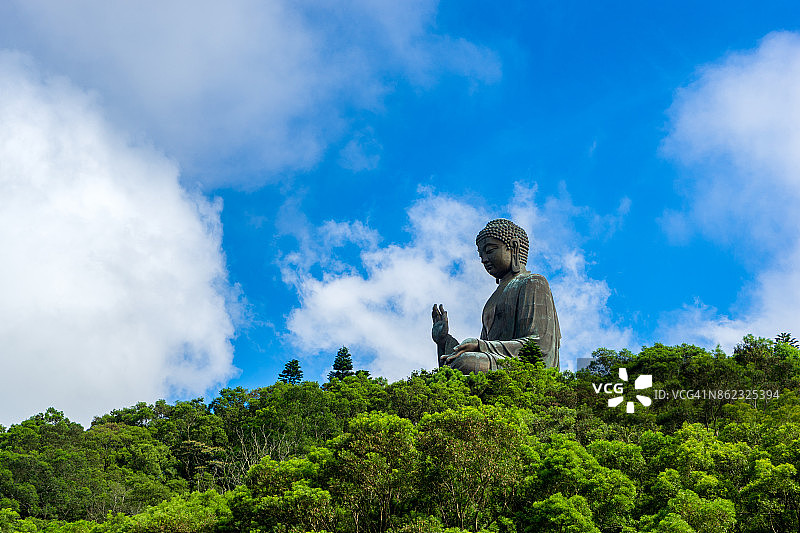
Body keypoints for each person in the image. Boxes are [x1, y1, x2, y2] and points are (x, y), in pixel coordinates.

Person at [432, 218, 560, 373]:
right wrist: (443, 340)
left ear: (514, 246)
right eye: (481, 256)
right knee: (457, 363)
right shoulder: (492, 301)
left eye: (490, 251)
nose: (484, 260)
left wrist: (480, 346)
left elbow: (539, 346)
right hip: (497, 361)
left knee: (466, 362)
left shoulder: (533, 283)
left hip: (524, 367)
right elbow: (483, 352)